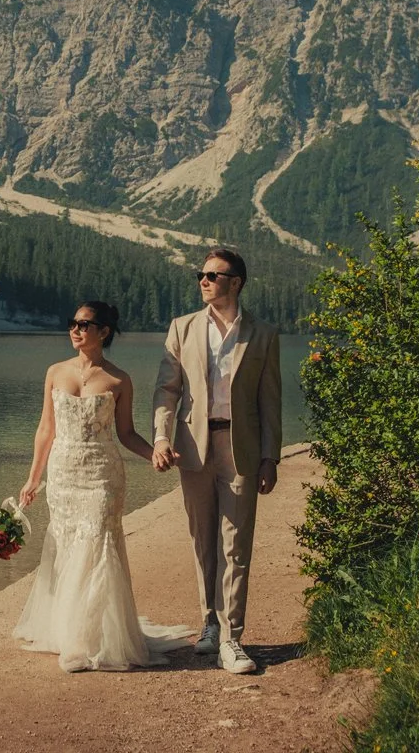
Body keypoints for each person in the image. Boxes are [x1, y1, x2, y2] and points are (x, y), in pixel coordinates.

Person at [13, 301, 194, 671]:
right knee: (67, 547)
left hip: (102, 475)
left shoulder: (119, 380)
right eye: (72, 323)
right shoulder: (55, 372)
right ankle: (71, 633)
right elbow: (46, 429)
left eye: (85, 324)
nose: (75, 330)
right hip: (63, 475)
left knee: (97, 546)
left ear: (104, 332)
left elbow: (126, 434)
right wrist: (34, 478)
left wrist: (155, 454)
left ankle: (85, 643)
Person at [151, 246, 282, 675]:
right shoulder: (182, 328)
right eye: (200, 275)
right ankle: (209, 621)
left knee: (236, 545)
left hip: (240, 448)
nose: (203, 281)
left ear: (236, 282)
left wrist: (270, 457)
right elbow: (167, 390)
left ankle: (232, 638)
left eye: (212, 275)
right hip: (193, 447)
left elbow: (270, 402)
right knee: (202, 539)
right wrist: (160, 437)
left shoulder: (262, 334)